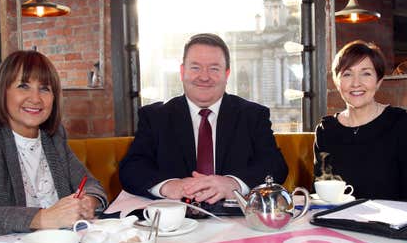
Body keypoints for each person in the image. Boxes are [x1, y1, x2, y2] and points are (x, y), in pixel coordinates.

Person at [0, 50, 108, 241]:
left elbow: (91, 185)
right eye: (23, 86)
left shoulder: (53, 137)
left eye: (45, 89)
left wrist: (89, 201)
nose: (35, 98)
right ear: (3, 90)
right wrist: (40, 218)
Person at [119, 33, 288, 204]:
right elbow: (132, 168)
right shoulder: (155, 117)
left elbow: (274, 165)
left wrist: (232, 183)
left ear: (226, 74)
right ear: (182, 71)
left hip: (236, 218)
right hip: (176, 220)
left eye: (214, 68)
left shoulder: (253, 115)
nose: (204, 77)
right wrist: (169, 186)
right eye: (195, 68)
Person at [314, 40, 407, 202]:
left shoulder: (401, 124)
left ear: (379, 81)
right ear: (337, 82)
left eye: (366, 73)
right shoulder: (326, 130)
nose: (356, 83)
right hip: (339, 221)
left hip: (392, 223)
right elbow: (321, 189)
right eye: (347, 74)